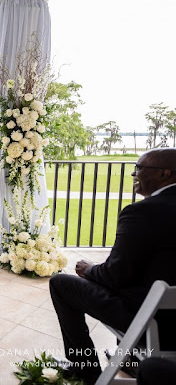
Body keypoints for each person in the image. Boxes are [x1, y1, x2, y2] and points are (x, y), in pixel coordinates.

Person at [49, 148, 176, 384]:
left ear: (165, 174)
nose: (133, 174)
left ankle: (84, 370)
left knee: (61, 283)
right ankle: (131, 362)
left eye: (139, 168)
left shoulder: (143, 212)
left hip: (154, 322)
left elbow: (116, 275)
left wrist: (89, 269)